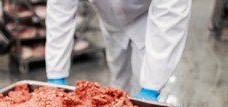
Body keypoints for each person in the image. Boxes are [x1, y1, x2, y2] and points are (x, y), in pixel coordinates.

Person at [45, 0, 192, 101]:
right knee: (118, 76)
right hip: (112, 23)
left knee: (141, 84)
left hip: (149, 21)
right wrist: (56, 74)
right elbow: (60, 10)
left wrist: (151, 88)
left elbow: (170, 14)